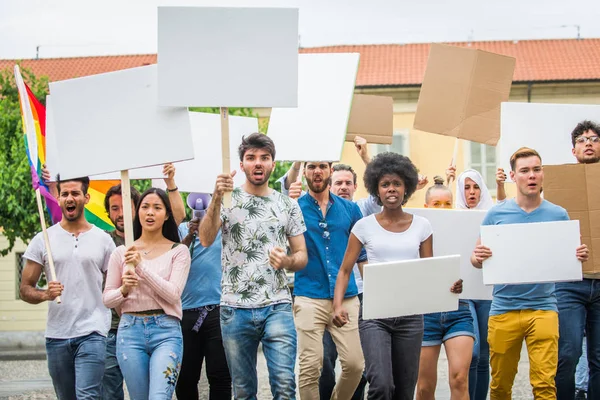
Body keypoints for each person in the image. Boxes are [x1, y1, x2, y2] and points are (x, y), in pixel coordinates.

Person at [333, 152, 463, 400]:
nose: (391, 189)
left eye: (396, 184)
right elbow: (345, 270)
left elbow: (430, 271)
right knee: (381, 385)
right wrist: (338, 305)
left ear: (406, 188)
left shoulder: (422, 226)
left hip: (411, 318)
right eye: (385, 184)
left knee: (404, 391)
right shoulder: (363, 226)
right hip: (375, 316)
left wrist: (451, 285)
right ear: (376, 190)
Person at [471, 147, 589, 400]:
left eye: (536, 169)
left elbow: (568, 257)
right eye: (525, 171)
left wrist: (577, 256)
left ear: (542, 174)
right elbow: (476, 258)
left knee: (545, 386)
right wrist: (477, 257)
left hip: (544, 308)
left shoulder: (558, 214)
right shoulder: (496, 214)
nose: (532, 175)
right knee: (500, 387)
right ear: (514, 176)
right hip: (503, 309)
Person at [199, 132, 308, 399]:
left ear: (273, 164)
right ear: (242, 164)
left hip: (277, 305)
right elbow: (205, 239)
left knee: (284, 384)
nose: (258, 163)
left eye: (264, 157)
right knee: (244, 391)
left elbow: (302, 255)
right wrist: (215, 197)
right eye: (251, 158)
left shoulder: (287, 204)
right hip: (235, 308)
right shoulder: (226, 200)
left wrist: (287, 261)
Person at [21, 175, 116, 400]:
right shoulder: (43, 239)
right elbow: (25, 288)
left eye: (75, 193)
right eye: (64, 194)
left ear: (86, 197)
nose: (69, 198)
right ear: (58, 197)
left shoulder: (103, 240)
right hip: (57, 335)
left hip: (93, 332)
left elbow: (114, 286)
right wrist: (45, 294)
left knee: (88, 396)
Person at [103, 188, 191, 400]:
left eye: (157, 208)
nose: (150, 213)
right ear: (137, 213)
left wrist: (140, 267)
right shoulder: (120, 253)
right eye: (145, 207)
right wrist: (124, 290)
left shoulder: (178, 251)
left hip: (166, 331)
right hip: (129, 332)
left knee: (159, 396)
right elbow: (107, 299)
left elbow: (173, 294)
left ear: (167, 214)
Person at [292, 161, 366, 399]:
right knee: (309, 369)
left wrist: (376, 293)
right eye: (311, 166)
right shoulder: (294, 208)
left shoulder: (351, 209)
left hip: (347, 297)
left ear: (330, 170)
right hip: (309, 296)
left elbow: (361, 256)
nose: (317, 171)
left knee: (355, 365)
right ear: (304, 171)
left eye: (322, 166)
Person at [447, 165, 507, 400]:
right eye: (466, 188)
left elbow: (504, 209)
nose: (471, 192)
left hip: (488, 291)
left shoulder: (492, 214)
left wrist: (501, 185)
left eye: (476, 187)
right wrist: (450, 181)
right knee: (470, 352)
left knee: (484, 354)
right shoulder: (453, 215)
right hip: (464, 292)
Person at [416, 177, 475, 400]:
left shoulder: (464, 229)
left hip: (459, 309)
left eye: (447, 203)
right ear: (426, 207)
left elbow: (475, 268)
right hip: (426, 313)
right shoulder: (414, 230)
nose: (442, 208)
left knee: (459, 378)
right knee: (424, 387)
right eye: (436, 204)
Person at [555, 121, 600, 400]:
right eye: (582, 139)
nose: (588, 143)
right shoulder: (560, 185)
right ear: (573, 150)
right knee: (568, 352)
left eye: (594, 138)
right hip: (570, 282)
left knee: (598, 357)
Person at [175, 194, 232, 400]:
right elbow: (174, 259)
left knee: (221, 376)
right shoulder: (182, 230)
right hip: (186, 313)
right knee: (185, 378)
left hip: (217, 310)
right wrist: (190, 235)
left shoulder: (224, 230)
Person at [102, 184, 141, 400]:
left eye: (125, 206)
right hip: (110, 330)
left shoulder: (148, 241)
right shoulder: (102, 241)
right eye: (114, 208)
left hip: (142, 327)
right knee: (109, 393)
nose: (120, 213)